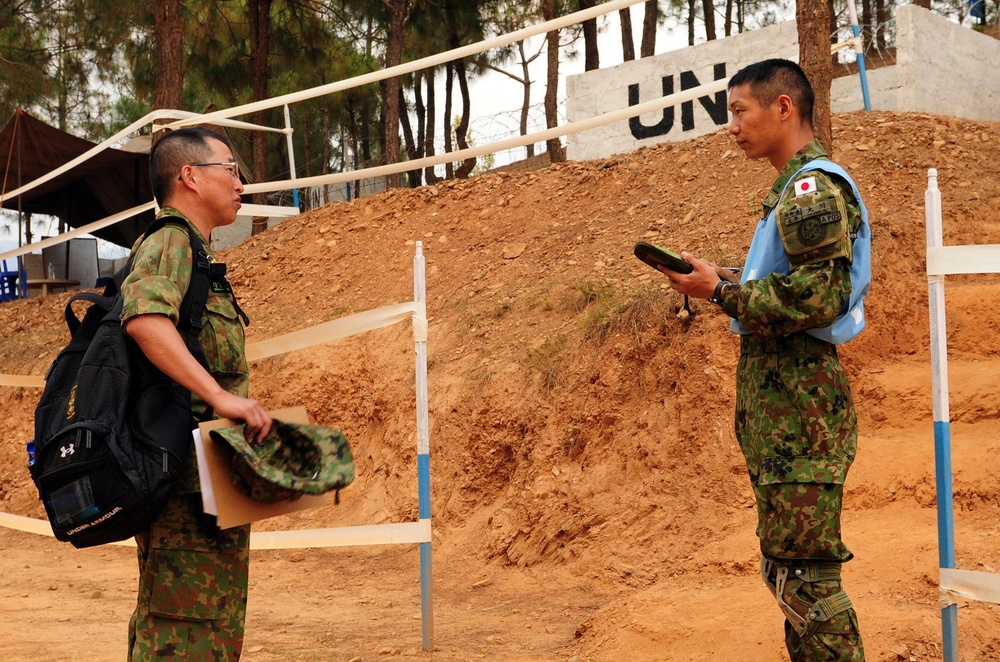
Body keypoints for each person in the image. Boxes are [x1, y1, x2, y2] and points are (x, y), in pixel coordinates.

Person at [660, 59, 870, 661]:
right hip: (787, 418)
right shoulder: (791, 190)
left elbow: (821, 295)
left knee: (807, 584)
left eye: (738, 111)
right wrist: (721, 278)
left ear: (784, 108)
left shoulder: (809, 189)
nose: (731, 127)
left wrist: (721, 294)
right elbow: (799, 284)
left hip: (799, 417)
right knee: (790, 578)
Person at [121, 126, 272, 661]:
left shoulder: (196, 254)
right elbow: (144, 319)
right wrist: (221, 397)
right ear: (190, 176)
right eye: (230, 169)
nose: (241, 184)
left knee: (208, 633)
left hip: (208, 482)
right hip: (184, 482)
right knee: (183, 637)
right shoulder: (171, 240)